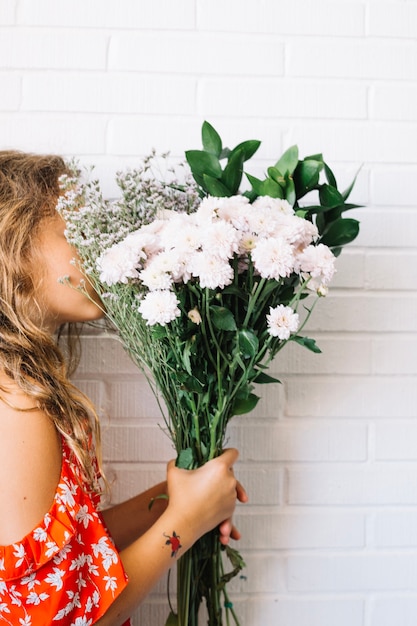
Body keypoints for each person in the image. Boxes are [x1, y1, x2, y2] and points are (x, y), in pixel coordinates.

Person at [0, 151, 247, 625]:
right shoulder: (16, 407)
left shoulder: (21, 390)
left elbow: (65, 566)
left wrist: (179, 496)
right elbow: (63, 617)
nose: (96, 247)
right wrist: (187, 522)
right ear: (14, 248)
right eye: (73, 229)